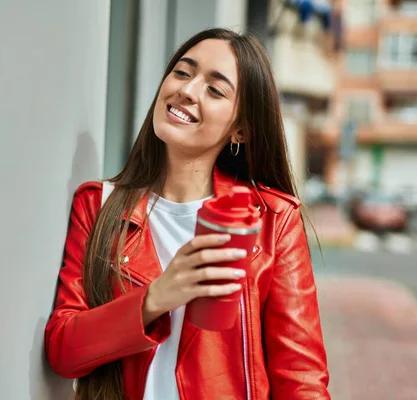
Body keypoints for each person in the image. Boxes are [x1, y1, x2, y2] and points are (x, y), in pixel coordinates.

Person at [45, 28, 330, 400]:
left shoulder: (272, 221)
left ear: (240, 130)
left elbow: (301, 378)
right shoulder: (98, 206)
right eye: (182, 72)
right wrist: (155, 298)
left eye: (215, 89)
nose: (188, 90)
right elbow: (64, 352)